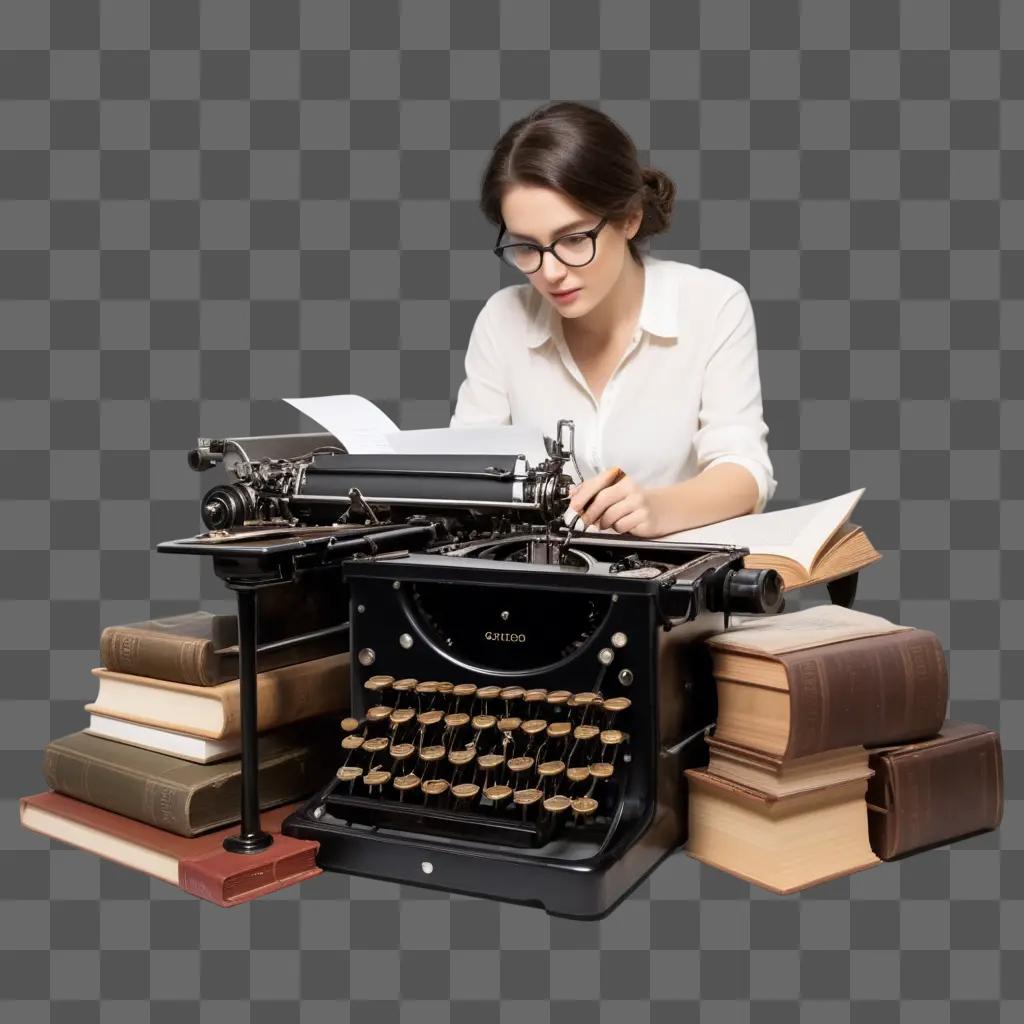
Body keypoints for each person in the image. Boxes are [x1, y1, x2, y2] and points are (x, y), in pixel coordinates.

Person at [450, 101, 777, 539]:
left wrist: (656, 508)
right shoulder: (502, 319)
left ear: (630, 218)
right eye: (527, 246)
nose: (550, 272)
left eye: (573, 238)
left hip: (675, 588)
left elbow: (744, 471)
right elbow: (465, 474)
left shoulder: (712, 303)